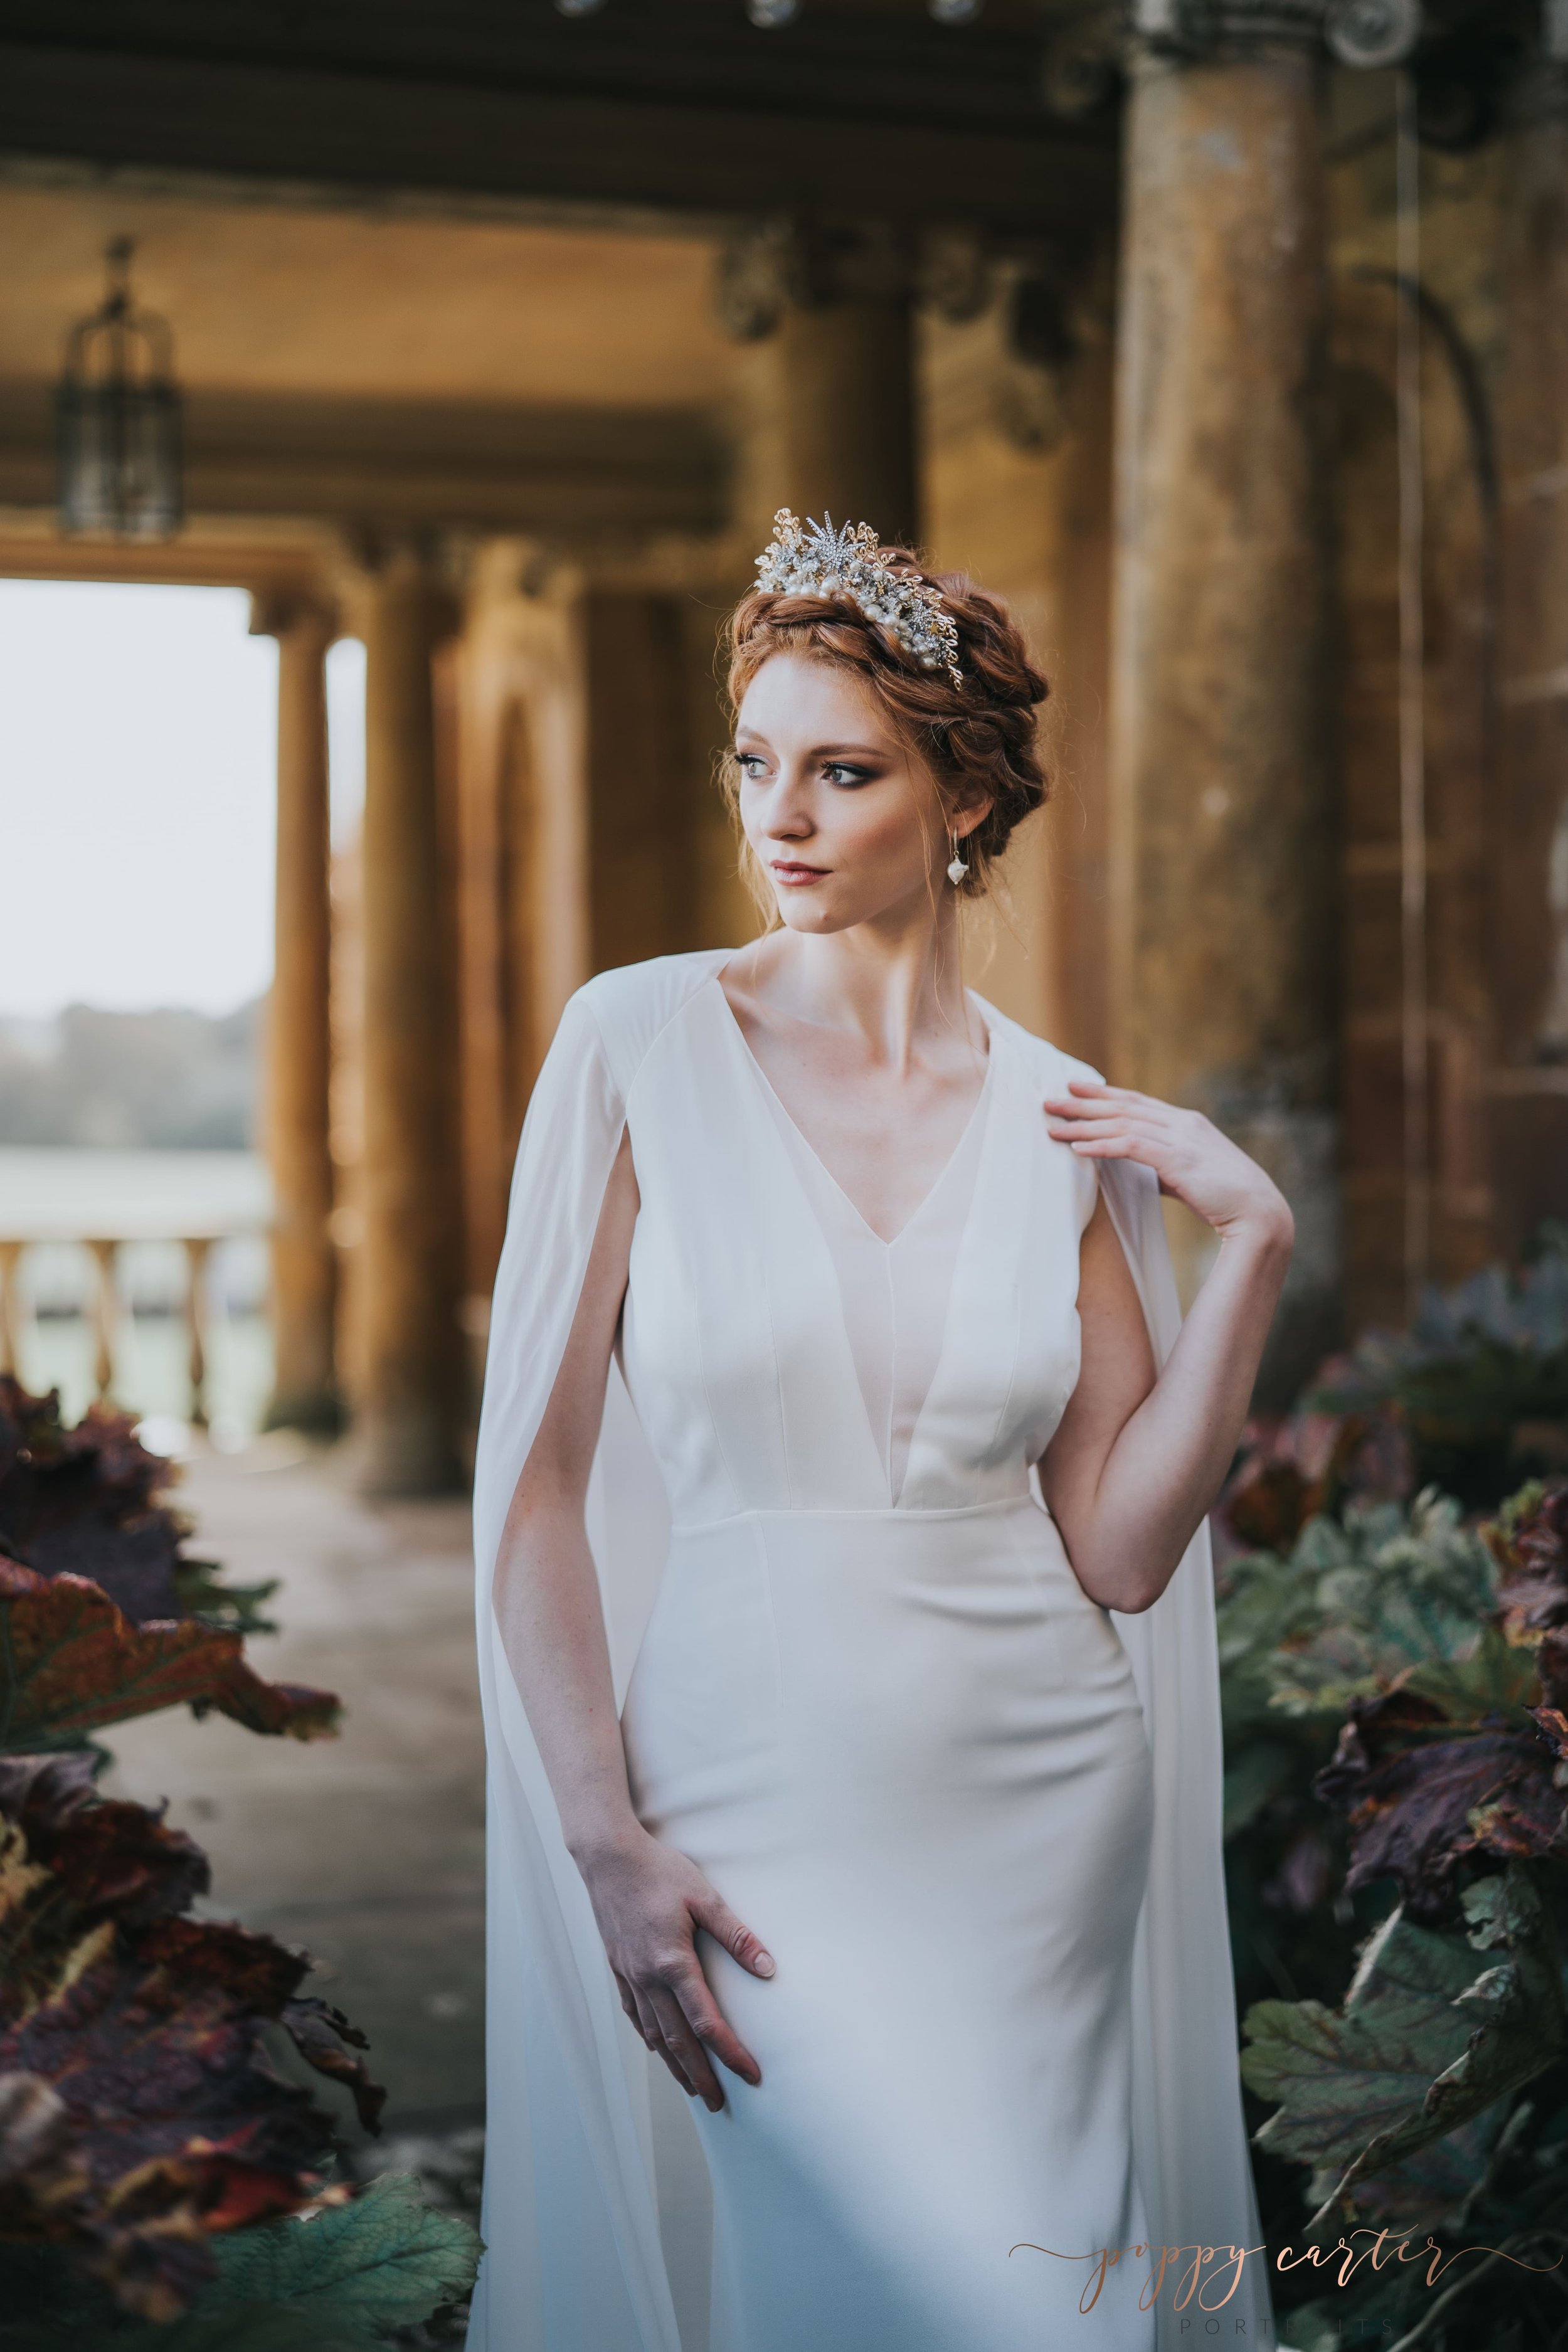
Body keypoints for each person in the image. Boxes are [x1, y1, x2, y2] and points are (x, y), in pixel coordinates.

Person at [466, 512, 1286, 2352]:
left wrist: (1248, 1251)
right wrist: (603, 1836)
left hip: (1033, 1814)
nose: (785, 817)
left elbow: (1120, 1549)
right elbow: (533, 1488)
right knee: (831, 2297)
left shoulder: (1061, 1116)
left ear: (966, 803)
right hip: (742, 1815)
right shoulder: (635, 1045)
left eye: (843, 772)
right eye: (757, 764)